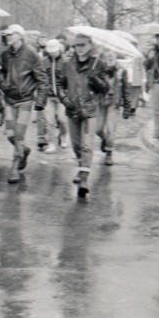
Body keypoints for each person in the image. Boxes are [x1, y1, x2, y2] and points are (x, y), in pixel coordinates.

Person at [54, 33, 110, 196]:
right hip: (72, 110)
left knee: (87, 144)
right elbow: (60, 84)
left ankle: (84, 177)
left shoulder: (98, 64)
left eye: (83, 45)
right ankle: (81, 166)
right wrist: (64, 98)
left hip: (89, 111)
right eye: (76, 46)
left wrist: (96, 80)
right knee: (76, 144)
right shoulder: (67, 63)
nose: (79, 49)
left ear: (90, 45)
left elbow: (106, 88)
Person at [0, 24, 48, 183]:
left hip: (25, 100)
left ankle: (14, 166)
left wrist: (40, 101)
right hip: (9, 99)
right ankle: (24, 151)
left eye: (11, 34)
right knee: (11, 136)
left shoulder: (32, 54)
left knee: (19, 135)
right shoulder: (5, 54)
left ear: (20, 35)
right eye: (6, 35)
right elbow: (2, 73)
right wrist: (2, 84)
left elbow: (43, 80)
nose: (8, 37)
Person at [95, 50, 129, 166]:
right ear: (104, 54)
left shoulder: (121, 70)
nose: (110, 54)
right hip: (101, 101)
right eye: (107, 52)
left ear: (116, 55)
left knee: (111, 129)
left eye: (112, 52)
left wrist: (127, 106)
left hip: (114, 102)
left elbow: (125, 88)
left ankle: (109, 152)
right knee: (98, 129)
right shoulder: (99, 68)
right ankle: (104, 140)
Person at [37, 38, 69, 154]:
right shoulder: (44, 61)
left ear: (59, 50)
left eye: (54, 52)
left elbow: (69, 80)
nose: (52, 54)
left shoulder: (65, 62)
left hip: (62, 96)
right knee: (49, 121)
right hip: (49, 96)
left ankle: (64, 134)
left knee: (62, 119)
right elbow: (41, 78)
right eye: (50, 52)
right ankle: (52, 143)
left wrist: (67, 93)